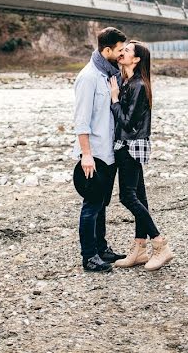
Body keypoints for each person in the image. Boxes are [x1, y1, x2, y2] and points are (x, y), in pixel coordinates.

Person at [109, 40, 174, 271]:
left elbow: (127, 122)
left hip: (130, 145)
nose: (122, 52)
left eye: (126, 50)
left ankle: (159, 244)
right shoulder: (128, 81)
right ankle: (139, 249)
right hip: (129, 144)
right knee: (140, 197)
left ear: (136, 59)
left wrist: (114, 99)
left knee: (127, 197)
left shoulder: (137, 85)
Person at [72, 27, 128, 272]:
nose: (121, 54)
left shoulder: (109, 74)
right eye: (119, 50)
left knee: (102, 204)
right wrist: (86, 154)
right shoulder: (88, 77)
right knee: (91, 204)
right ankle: (89, 256)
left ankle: (102, 248)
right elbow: (81, 120)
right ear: (106, 50)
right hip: (93, 154)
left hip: (109, 152)